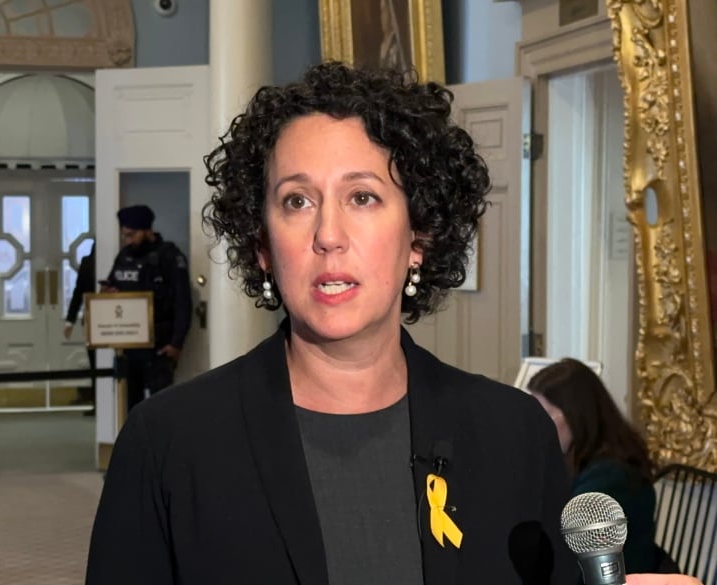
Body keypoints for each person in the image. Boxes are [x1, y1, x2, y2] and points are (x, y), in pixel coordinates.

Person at [85, 63, 694, 585]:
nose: (328, 235)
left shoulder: (513, 435)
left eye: (363, 197)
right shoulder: (168, 443)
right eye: (297, 200)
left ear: (418, 240)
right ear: (264, 244)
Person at [526, 358, 663, 574]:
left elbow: (563, 558)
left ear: (575, 415)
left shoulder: (612, 479)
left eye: (543, 415)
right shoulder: (582, 460)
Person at [101, 204, 192, 412]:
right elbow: (112, 285)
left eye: (132, 235)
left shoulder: (168, 256)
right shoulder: (124, 257)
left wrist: (176, 343)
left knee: (161, 409)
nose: (128, 240)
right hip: (130, 347)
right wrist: (110, 295)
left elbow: (182, 302)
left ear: (146, 230)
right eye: (125, 235)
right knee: (129, 408)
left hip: (160, 347)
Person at [64, 241, 96, 413]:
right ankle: (97, 402)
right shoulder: (87, 263)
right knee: (94, 365)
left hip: (117, 326)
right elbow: (78, 293)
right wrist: (70, 320)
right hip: (92, 321)